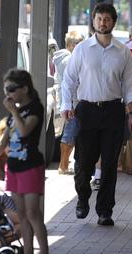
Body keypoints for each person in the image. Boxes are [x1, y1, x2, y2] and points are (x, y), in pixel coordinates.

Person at [60, 2, 132, 226]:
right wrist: (67, 104)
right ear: (93, 21)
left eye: (107, 19)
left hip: (113, 111)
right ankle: (83, 197)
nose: (103, 22)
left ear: (113, 22)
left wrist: (131, 114)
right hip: (86, 111)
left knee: (109, 165)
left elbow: (129, 85)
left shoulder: (123, 52)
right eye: (99, 18)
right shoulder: (83, 49)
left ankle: (105, 210)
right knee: (83, 162)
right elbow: (69, 80)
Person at [0, 69, 48, 254]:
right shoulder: (14, 112)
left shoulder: (36, 108)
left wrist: (13, 111)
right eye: (5, 90)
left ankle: (44, 251)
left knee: (33, 213)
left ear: (24, 88)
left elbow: (25, 130)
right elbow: (3, 142)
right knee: (22, 215)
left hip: (30, 166)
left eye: (11, 89)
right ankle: (28, 250)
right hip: (14, 167)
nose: (7, 94)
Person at [53, 30, 85, 175]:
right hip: (72, 102)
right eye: (79, 43)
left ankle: (64, 164)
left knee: (71, 133)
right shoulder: (68, 60)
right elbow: (72, 83)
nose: (81, 46)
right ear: (70, 44)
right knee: (70, 133)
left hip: (72, 102)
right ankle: (63, 165)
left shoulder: (65, 58)